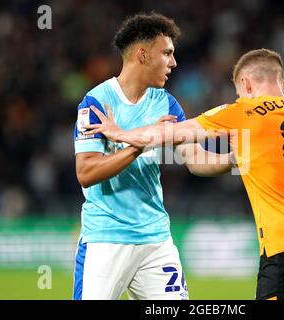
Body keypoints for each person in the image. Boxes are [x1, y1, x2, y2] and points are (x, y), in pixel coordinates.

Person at [84, 48, 284, 300]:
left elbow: (171, 133)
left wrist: (120, 133)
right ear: (282, 83)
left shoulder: (244, 111)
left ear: (245, 84)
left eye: (238, 92)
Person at [73, 12, 231, 300]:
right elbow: (86, 173)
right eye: (167, 53)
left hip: (155, 239)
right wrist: (144, 141)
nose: (174, 63)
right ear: (143, 55)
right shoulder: (96, 102)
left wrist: (236, 160)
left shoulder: (166, 103)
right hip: (106, 239)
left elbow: (195, 159)